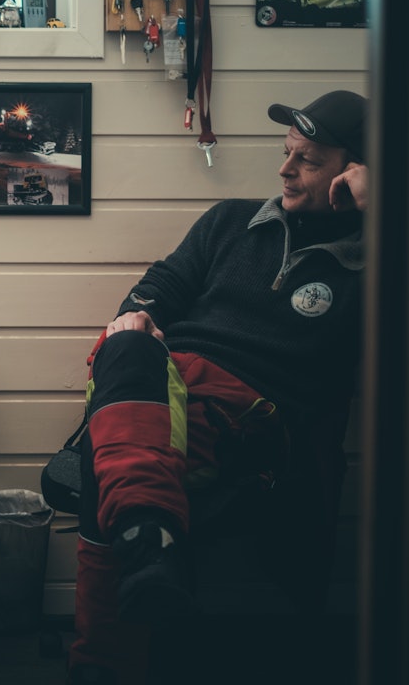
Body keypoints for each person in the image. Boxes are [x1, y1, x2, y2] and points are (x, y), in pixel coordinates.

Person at [68, 90, 370, 684]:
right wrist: (137, 317)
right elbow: (159, 287)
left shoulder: (380, 262)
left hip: (256, 418)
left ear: (352, 173)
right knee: (125, 344)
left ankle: (109, 647)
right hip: (164, 385)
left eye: (307, 160)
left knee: (104, 461)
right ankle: (149, 537)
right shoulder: (231, 221)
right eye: (286, 153)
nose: (284, 169)